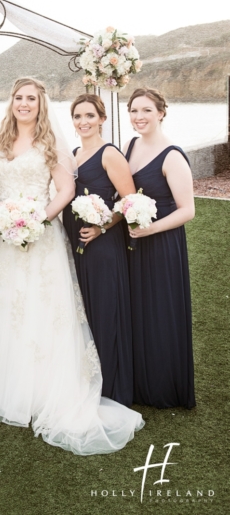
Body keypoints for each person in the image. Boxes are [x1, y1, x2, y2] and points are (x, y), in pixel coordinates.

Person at [0, 77, 144, 455]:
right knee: (10, 308)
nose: (24, 103)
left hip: (41, 234)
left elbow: (65, 191)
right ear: (11, 102)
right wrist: (0, 216)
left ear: (41, 104)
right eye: (18, 97)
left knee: (43, 309)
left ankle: (51, 391)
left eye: (31, 98)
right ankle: (13, 393)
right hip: (4, 239)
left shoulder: (52, 144)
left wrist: (36, 220)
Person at [123, 87, 196, 408]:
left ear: (161, 113)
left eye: (146, 111)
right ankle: (138, 382)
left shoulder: (172, 155)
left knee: (160, 311)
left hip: (162, 243)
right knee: (136, 309)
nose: (139, 117)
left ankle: (163, 385)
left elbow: (187, 210)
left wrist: (150, 228)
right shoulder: (129, 146)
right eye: (134, 111)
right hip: (132, 243)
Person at [63, 94, 135, 407]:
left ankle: (112, 386)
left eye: (90, 116)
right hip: (77, 247)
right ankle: (87, 380)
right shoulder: (75, 153)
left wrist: (103, 226)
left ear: (102, 119)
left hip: (103, 246)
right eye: (78, 116)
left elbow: (129, 200)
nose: (83, 122)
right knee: (86, 313)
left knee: (106, 312)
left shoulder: (110, 154)